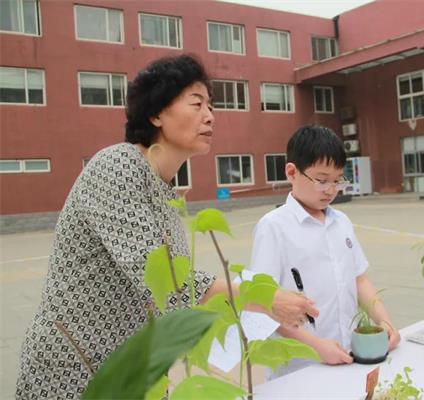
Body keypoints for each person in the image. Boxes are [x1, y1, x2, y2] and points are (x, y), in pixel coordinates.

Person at [15, 55, 318, 399]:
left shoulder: (163, 190)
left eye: (211, 106)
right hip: (74, 368)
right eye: (197, 103)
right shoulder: (117, 167)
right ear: (156, 113)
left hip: (128, 368)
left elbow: (174, 297)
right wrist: (262, 297)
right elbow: (168, 282)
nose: (209, 115)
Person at [248, 125, 400, 378]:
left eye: (337, 180)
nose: (331, 189)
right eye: (321, 180)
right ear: (292, 172)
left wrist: (385, 321)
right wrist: (317, 348)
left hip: (347, 355)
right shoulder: (273, 227)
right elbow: (263, 305)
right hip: (299, 367)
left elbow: (359, 278)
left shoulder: (341, 221)